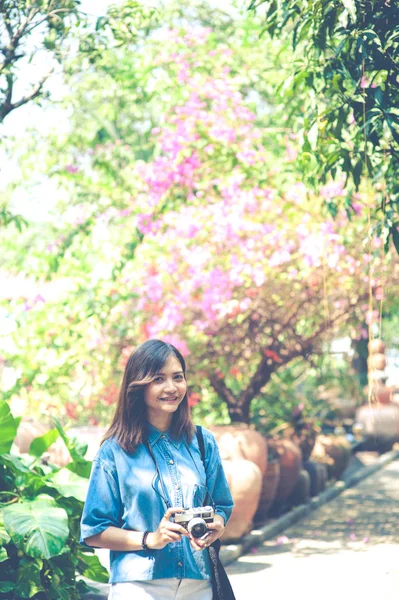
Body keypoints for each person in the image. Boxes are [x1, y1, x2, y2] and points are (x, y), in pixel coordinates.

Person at [80, 339, 234, 600]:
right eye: (158, 379)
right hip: (139, 587)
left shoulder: (202, 441)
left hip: (198, 585)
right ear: (139, 385)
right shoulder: (114, 451)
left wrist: (216, 525)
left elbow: (222, 505)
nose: (171, 387)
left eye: (178, 377)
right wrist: (150, 539)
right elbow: (95, 531)